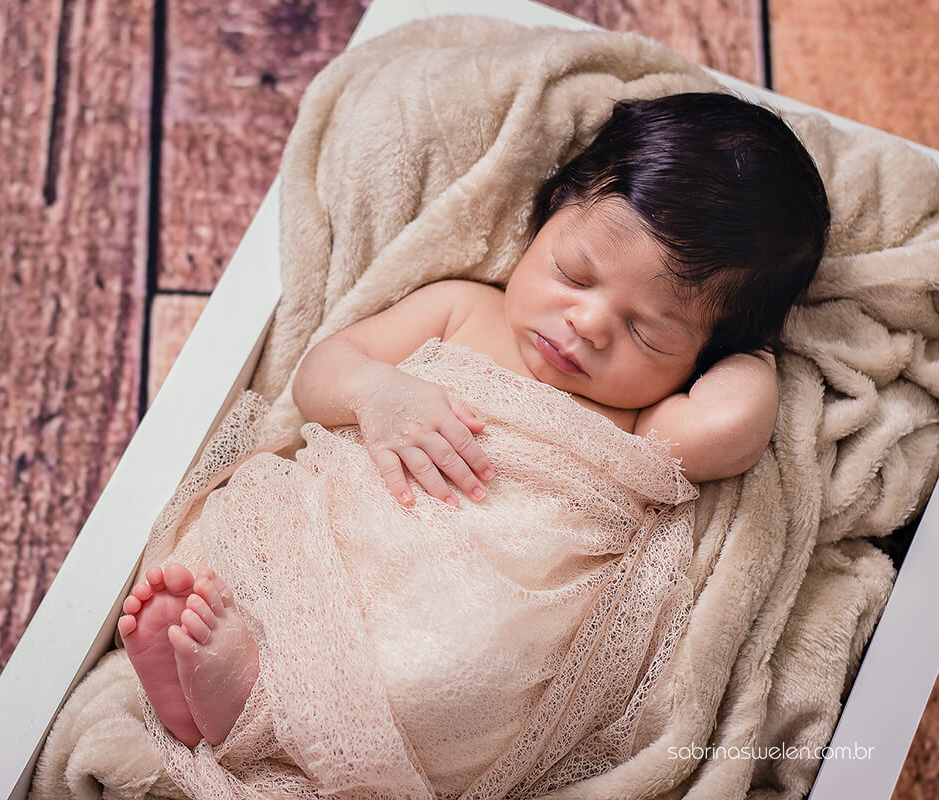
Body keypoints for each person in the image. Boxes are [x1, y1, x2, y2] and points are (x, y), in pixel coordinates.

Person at [117, 92, 831, 763]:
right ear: (551, 209)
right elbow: (319, 374)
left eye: (649, 332)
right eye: (575, 274)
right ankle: (236, 674)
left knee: (464, 662)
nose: (587, 324)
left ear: (708, 356)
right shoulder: (463, 308)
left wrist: (756, 345)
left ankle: (257, 700)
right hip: (354, 521)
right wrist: (376, 391)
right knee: (242, 530)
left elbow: (735, 425)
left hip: (476, 592)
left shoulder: (642, 420)